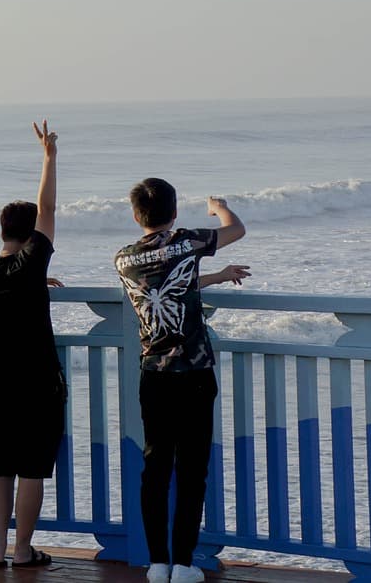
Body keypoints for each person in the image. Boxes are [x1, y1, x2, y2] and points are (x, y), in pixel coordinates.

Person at [114, 179, 251, 583]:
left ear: (136, 215)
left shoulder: (123, 258)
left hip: (153, 375)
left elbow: (160, 287)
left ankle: (158, 563)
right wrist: (219, 206)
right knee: (192, 470)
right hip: (194, 372)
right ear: (174, 212)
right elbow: (236, 228)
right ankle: (185, 563)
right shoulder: (188, 241)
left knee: (155, 468)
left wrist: (215, 277)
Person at [0, 120, 66, 570]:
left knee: (0, 465)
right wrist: (48, 157)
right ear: (31, 236)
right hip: (39, 378)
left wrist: (36, 279)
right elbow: (47, 207)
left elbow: (11, 274)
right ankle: (24, 550)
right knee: (32, 468)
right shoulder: (32, 261)